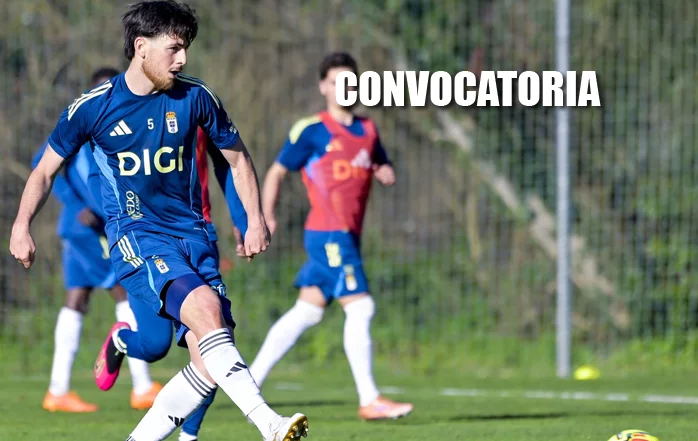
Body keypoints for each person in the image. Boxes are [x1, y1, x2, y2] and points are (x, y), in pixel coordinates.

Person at [9, 2, 309, 441]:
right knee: (205, 314)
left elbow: (237, 159)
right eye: (174, 48)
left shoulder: (197, 97)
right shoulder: (93, 108)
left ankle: (133, 402)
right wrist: (21, 225)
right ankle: (270, 424)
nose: (182, 59)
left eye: (186, 49)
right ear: (141, 47)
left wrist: (254, 218)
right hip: (138, 237)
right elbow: (43, 172)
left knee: (200, 360)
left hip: (194, 238)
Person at [248, 52, 414, 421]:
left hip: (348, 235)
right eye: (337, 82)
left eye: (351, 82)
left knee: (306, 312)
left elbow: (379, 161)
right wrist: (266, 215)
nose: (345, 89)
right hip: (328, 233)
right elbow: (277, 172)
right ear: (324, 86)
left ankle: (249, 382)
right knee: (361, 307)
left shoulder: (368, 130)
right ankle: (369, 399)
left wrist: (384, 169)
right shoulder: (311, 130)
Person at [86, 126, 249, 441]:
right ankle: (122, 340)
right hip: (147, 242)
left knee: (214, 340)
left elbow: (227, 160)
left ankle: (189, 436)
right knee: (155, 345)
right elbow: (95, 174)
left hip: (198, 237)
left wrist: (243, 219)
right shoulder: (123, 116)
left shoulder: (198, 108)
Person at [33, 67, 163, 413]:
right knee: (125, 289)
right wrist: (76, 205)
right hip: (89, 230)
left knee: (76, 299)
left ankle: (58, 390)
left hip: (82, 231)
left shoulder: (122, 127)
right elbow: (41, 163)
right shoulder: (83, 122)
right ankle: (142, 387)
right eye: (102, 89)